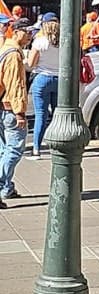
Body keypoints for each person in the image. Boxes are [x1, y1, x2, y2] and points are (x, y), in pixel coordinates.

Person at [0, 18, 32, 206]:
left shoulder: (5, 49)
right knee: (14, 149)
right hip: (10, 109)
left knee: (4, 149)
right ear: (17, 31)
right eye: (27, 32)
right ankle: (2, 184)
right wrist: (20, 112)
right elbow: (16, 85)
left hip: (2, 107)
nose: (29, 36)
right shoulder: (13, 55)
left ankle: (6, 187)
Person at [27, 13, 60, 159]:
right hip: (60, 80)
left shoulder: (40, 41)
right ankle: (56, 146)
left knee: (41, 114)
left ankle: (36, 149)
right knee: (58, 114)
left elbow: (31, 63)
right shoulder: (64, 40)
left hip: (42, 78)